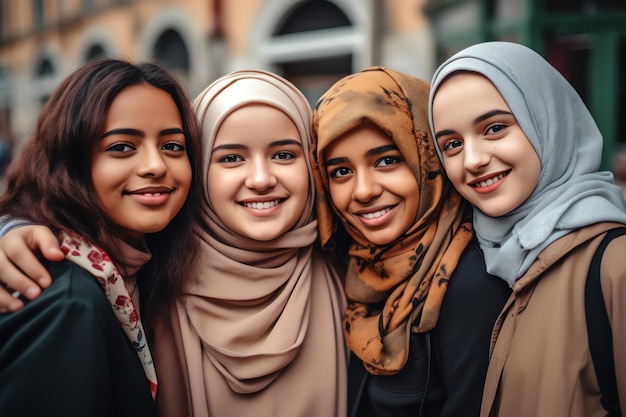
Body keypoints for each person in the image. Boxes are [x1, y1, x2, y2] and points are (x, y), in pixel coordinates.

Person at [0, 70, 349, 417]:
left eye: (172, 146)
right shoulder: (138, 278)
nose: (260, 179)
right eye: (230, 157)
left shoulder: (348, 258)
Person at [428, 41, 626, 417]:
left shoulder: (614, 263)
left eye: (495, 128)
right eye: (452, 144)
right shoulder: (479, 258)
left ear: (547, 120)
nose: (472, 160)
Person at [0, 58, 204, 416]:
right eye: (122, 147)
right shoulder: (61, 297)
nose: (156, 165)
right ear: (70, 161)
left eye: (173, 146)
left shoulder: (148, 262)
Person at [309, 66, 511, 417]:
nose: (364, 191)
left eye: (387, 160)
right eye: (341, 171)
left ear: (427, 159)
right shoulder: (351, 265)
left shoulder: (469, 285)